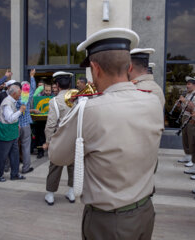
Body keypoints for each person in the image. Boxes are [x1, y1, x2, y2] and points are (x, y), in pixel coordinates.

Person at [48, 28, 164, 239]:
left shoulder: (89, 109)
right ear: (129, 66)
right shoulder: (153, 101)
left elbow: (56, 155)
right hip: (145, 210)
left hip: (109, 222)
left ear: (95, 68)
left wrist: (78, 107)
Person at [42, 71, 74, 205]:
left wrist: (48, 141)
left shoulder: (54, 101)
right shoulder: (78, 98)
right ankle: (72, 192)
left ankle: (50, 194)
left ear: (57, 85)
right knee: (73, 165)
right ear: (70, 84)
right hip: (74, 138)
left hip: (59, 138)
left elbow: (50, 124)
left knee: (55, 164)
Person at [0, 84, 26, 182]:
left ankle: (14, 174)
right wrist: (20, 111)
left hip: (11, 132)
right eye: (19, 93)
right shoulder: (7, 103)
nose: (20, 95)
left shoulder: (11, 101)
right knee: (2, 155)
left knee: (14, 154)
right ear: (14, 93)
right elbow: (9, 118)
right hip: (5, 133)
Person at [177, 77, 195, 171]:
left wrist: (184, 101)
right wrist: (180, 105)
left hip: (191, 118)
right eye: (187, 84)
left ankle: (193, 158)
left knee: (191, 138)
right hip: (184, 116)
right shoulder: (187, 94)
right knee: (185, 137)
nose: (187, 86)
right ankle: (187, 155)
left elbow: (194, 108)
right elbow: (185, 108)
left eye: (189, 84)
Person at [16, 69, 36, 174]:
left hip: (16, 125)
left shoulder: (15, 97)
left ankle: (9, 167)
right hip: (26, 125)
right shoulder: (26, 97)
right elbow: (32, 88)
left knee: (13, 146)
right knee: (26, 147)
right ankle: (25, 168)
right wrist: (32, 76)